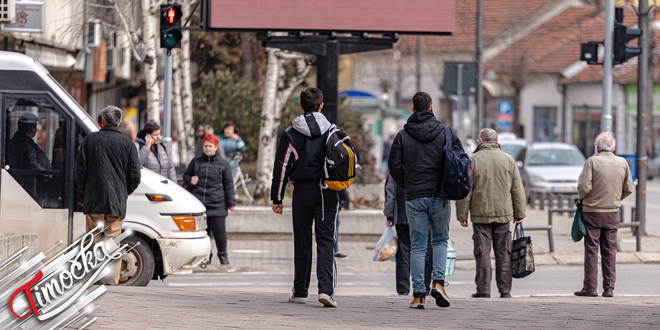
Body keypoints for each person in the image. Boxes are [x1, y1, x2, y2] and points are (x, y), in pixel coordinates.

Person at [388, 91, 460, 309]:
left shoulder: (402, 135)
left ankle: (418, 294)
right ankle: (438, 283)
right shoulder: (446, 132)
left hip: (414, 196)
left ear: (412, 110)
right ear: (431, 108)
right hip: (440, 195)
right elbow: (460, 160)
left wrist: (406, 184)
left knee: (417, 246)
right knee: (439, 240)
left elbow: (394, 166)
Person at [271, 88, 340, 308]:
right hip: (328, 191)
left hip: (302, 191)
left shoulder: (291, 132)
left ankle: (300, 291)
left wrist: (277, 197)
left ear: (300, 106)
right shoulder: (332, 130)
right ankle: (326, 291)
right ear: (321, 106)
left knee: (302, 241)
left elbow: (282, 166)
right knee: (326, 241)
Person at [75, 105, 141, 285]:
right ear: (119, 122)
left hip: (94, 201)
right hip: (116, 203)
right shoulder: (127, 143)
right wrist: (122, 192)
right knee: (113, 242)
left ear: (102, 121)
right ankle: (111, 280)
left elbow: (79, 171)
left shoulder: (90, 140)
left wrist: (86, 191)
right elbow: (135, 176)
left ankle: (91, 278)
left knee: (93, 241)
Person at [456, 128, 526, 299]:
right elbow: (517, 189)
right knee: (504, 253)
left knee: (483, 252)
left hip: (481, 214)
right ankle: (505, 290)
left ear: (480, 140)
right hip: (503, 214)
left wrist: (462, 215)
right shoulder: (509, 160)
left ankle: (483, 290)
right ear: (495, 141)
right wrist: (519, 213)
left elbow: (465, 190)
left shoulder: (472, 160)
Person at [575, 132, 633, 298]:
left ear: (597, 146)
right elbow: (629, 188)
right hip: (612, 213)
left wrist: (585, 197)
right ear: (612, 147)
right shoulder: (622, 163)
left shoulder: (592, 161)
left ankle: (590, 287)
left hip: (592, 213)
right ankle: (609, 288)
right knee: (610, 250)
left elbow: (584, 188)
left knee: (591, 251)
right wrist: (614, 199)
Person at [184, 134, 236, 265]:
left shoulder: (223, 164)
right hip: (199, 204)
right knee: (203, 234)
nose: (207, 148)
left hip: (218, 204)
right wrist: (190, 180)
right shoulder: (196, 161)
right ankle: (206, 256)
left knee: (220, 233)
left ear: (216, 148)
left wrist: (231, 203)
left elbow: (229, 184)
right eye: (205, 146)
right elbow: (186, 175)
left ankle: (223, 255)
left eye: (210, 146)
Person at [384, 173, 433, 296]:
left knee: (404, 253)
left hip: (402, 215)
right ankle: (425, 287)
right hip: (425, 216)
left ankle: (403, 288)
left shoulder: (398, 166)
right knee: (426, 251)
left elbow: (390, 192)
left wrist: (390, 214)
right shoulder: (428, 163)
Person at [334, 189, 350, 258]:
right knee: (333, 226)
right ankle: (334, 250)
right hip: (331, 204)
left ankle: (334, 249)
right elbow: (343, 192)